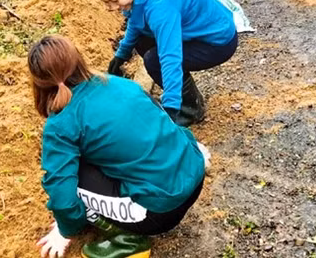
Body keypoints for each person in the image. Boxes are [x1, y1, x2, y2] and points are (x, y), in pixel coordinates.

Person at [30, 35, 209, 258]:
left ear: (39, 84)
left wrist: (65, 229)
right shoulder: (120, 84)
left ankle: (130, 242)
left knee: (71, 177)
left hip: (160, 211)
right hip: (193, 176)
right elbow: (163, 121)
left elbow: (61, 192)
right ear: (79, 61)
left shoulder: (61, 123)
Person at [93, 0, 239, 127]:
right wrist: (121, 55)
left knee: (153, 60)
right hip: (194, 33)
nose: (111, 7)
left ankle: (190, 110)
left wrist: (170, 107)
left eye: (113, 0)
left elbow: (171, 57)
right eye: (106, 3)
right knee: (141, 40)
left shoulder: (159, 5)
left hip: (217, 42)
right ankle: (190, 99)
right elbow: (136, 20)